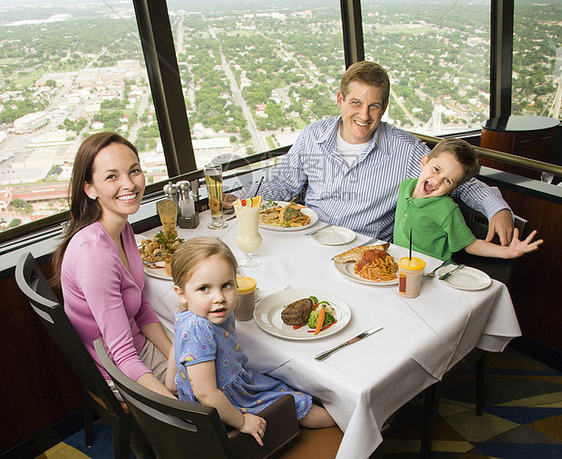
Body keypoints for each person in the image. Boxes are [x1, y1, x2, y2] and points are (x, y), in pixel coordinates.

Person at [241, 61, 515, 244]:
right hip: (309, 242)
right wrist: (241, 199)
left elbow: (459, 183)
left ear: (383, 108)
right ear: (340, 100)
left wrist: (497, 209)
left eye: (373, 106)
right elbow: (283, 183)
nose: (363, 114)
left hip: (365, 257)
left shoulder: (406, 151)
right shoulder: (313, 135)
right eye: (356, 102)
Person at [170, 238, 335, 446]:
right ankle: (341, 423)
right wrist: (242, 421)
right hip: (224, 405)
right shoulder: (197, 327)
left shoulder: (202, 311)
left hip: (235, 384)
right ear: (181, 293)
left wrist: (172, 381)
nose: (219, 297)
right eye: (204, 288)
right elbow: (206, 394)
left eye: (227, 285)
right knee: (296, 403)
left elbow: (177, 345)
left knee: (287, 385)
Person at [52, 132, 176, 398]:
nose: (129, 184)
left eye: (134, 171)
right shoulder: (94, 254)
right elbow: (122, 355)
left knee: (208, 359)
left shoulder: (121, 226)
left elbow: (139, 307)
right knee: (213, 393)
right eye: (112, 177)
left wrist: (175, 358)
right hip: (119, 371)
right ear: (90, 188)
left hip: (137, 347)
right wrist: (186, 411)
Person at [393, 138, 543, 261]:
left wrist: (506, 252)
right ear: (424, 162)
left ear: (453, 189)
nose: (437, 180)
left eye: (448, 181)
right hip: (400, 266)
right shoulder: (405, 186)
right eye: (437, 169)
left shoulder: (447, 209)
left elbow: (470, 245)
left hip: (431, 273)